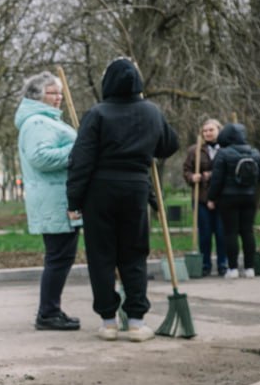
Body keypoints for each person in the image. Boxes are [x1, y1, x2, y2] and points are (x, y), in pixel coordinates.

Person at [66, 58, 179, 343]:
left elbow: (81, 160)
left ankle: (108, 322)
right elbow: (170, 144)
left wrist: (74, 199)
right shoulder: (151, 112)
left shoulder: (97, 114)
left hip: (100, 191)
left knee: (101, 256)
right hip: (136, 188)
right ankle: (137, 322)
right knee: (134, 254)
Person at [15, 72, 80, 331]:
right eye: (54, 93)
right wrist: (79, 149)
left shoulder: (45, 121)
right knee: (59, 258)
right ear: (38, 96)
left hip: (57, 199)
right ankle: (48, 312)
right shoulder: (37, 123)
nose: (59, 98)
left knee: (61, 257)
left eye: (60, 93)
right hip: (54, 201)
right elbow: (40, 158)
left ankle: (52, 309)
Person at [206, 122, 260, 278]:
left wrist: (211, 197)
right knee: (247, 231)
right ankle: (250, 268)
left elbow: (216, 180)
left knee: (230, 232)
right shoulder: (255, 153)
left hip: (228, 198)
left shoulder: (223, 154)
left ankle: (232, 269)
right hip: (249, 197)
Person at [181, 118, 228, 277]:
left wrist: (210, 175)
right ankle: (205, 265)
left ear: (219, 131)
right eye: (205, 130)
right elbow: (186, 169)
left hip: (221, 199)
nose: (207, 133)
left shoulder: (226, 148)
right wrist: (191, 177)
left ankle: (223, 264)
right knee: (205, 234)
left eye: (211, 130)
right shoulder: (195, 150)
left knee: (222, 233)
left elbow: (229, 171)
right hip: (201, 197)